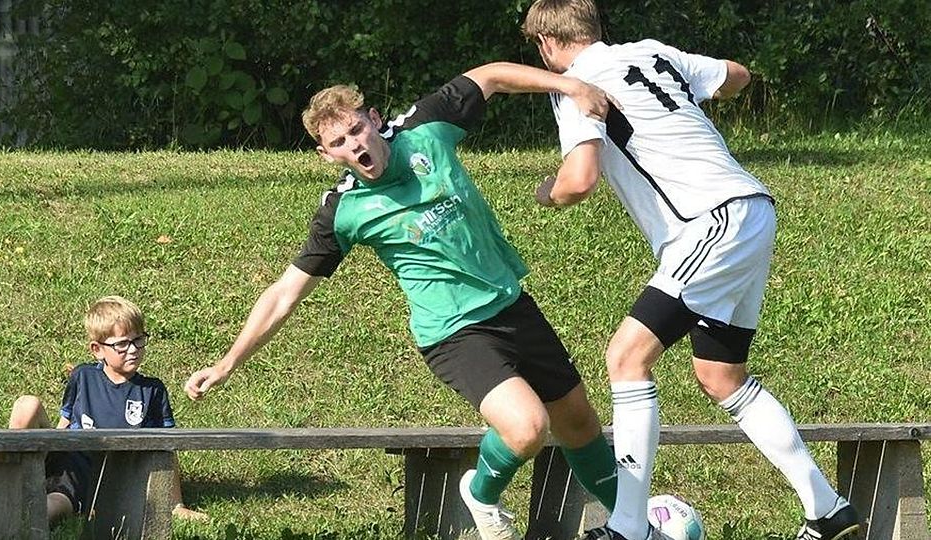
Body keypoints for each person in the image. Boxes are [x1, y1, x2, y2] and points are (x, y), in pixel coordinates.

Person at [184, 63, 620, 540]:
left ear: (374, 119)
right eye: (339, 142)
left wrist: (569, 85)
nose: (354, 144)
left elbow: (491, 76)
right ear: (326, 155)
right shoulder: (343, 211)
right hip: (454, 333)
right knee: (527, 428)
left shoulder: (426, 128)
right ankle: (481, 494)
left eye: (357, 129)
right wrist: (227, 363)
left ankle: (630, 522)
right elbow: (285, 292)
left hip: (511, 304)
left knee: (579, 423)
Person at [513, 2, 860, 540]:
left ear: (546, 44)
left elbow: (579, 180)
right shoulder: (652, 53)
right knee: (721, 375)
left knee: (626, 358)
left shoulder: (575, 85)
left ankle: (628, 527)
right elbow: (736, 76)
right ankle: (828, 508)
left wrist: (546, 193)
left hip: (708, 221)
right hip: (751, 210)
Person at [9, 295, 206, 525]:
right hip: (72, 468)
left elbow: (167, 448)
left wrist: (175, 504)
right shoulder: (82, 376)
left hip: (111, 478)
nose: (133, 349)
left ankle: (20, 516)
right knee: (27, 404)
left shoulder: (152, 390)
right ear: (97, 349)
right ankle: (10, 489)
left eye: (138, 340)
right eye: (122, 344)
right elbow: (65, 424)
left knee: (48, 511)